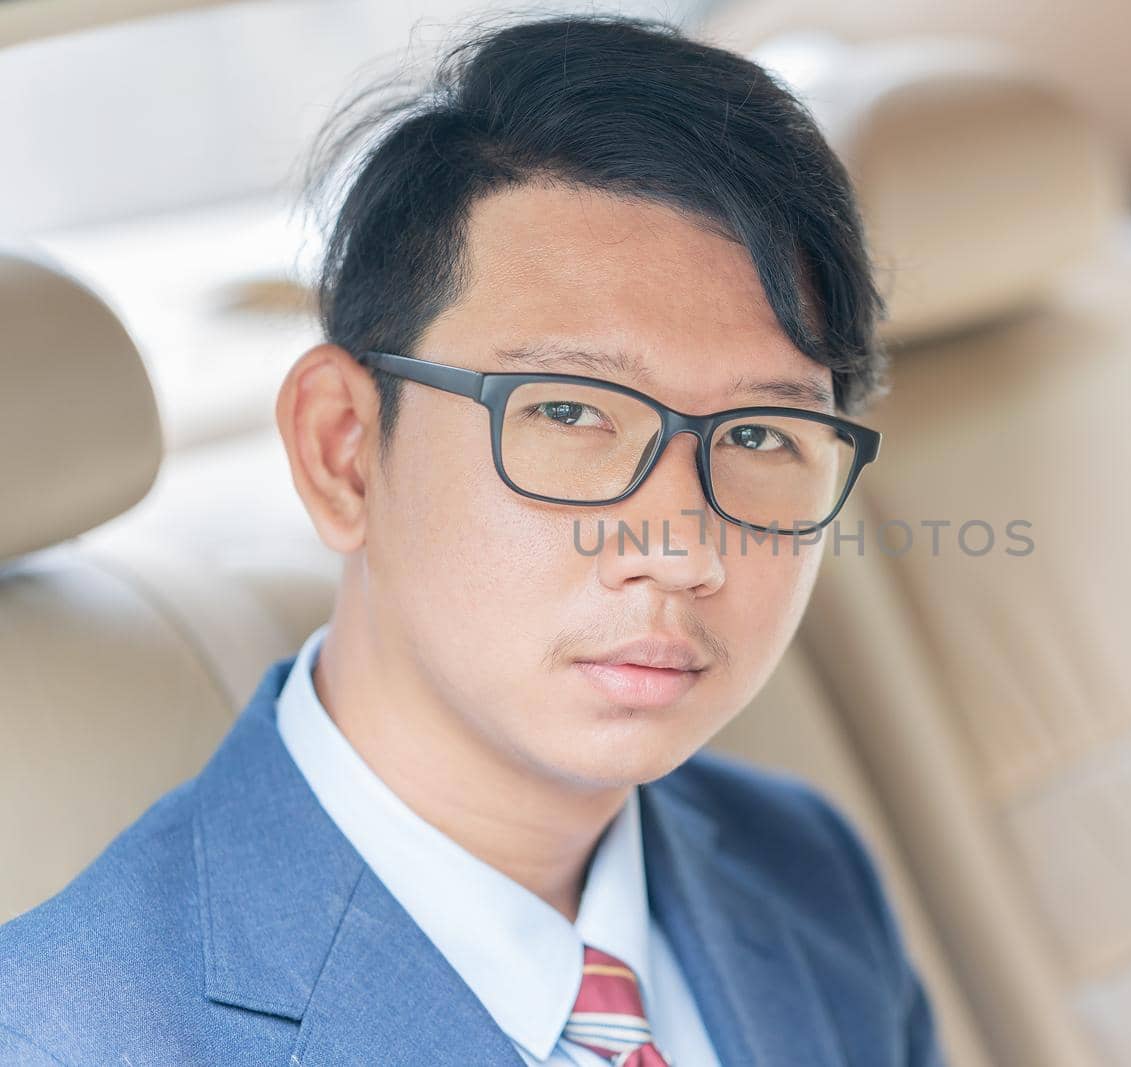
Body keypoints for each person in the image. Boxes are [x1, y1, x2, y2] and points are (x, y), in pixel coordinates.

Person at [0, 15, 942, 1066]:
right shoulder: (66, 1033)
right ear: (345, 451)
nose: (683, 550)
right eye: (571, 413)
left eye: (764, 432)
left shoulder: (805, 866)